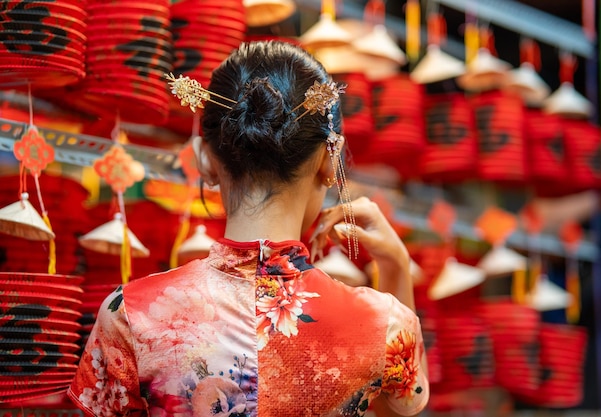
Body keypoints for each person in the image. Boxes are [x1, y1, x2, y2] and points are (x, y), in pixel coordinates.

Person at [68, 40, 429, 417]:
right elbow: (398, 407)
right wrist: (395, 266)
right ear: (328, 160)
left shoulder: (129, 314)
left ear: (203, 159)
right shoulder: (382, 321)